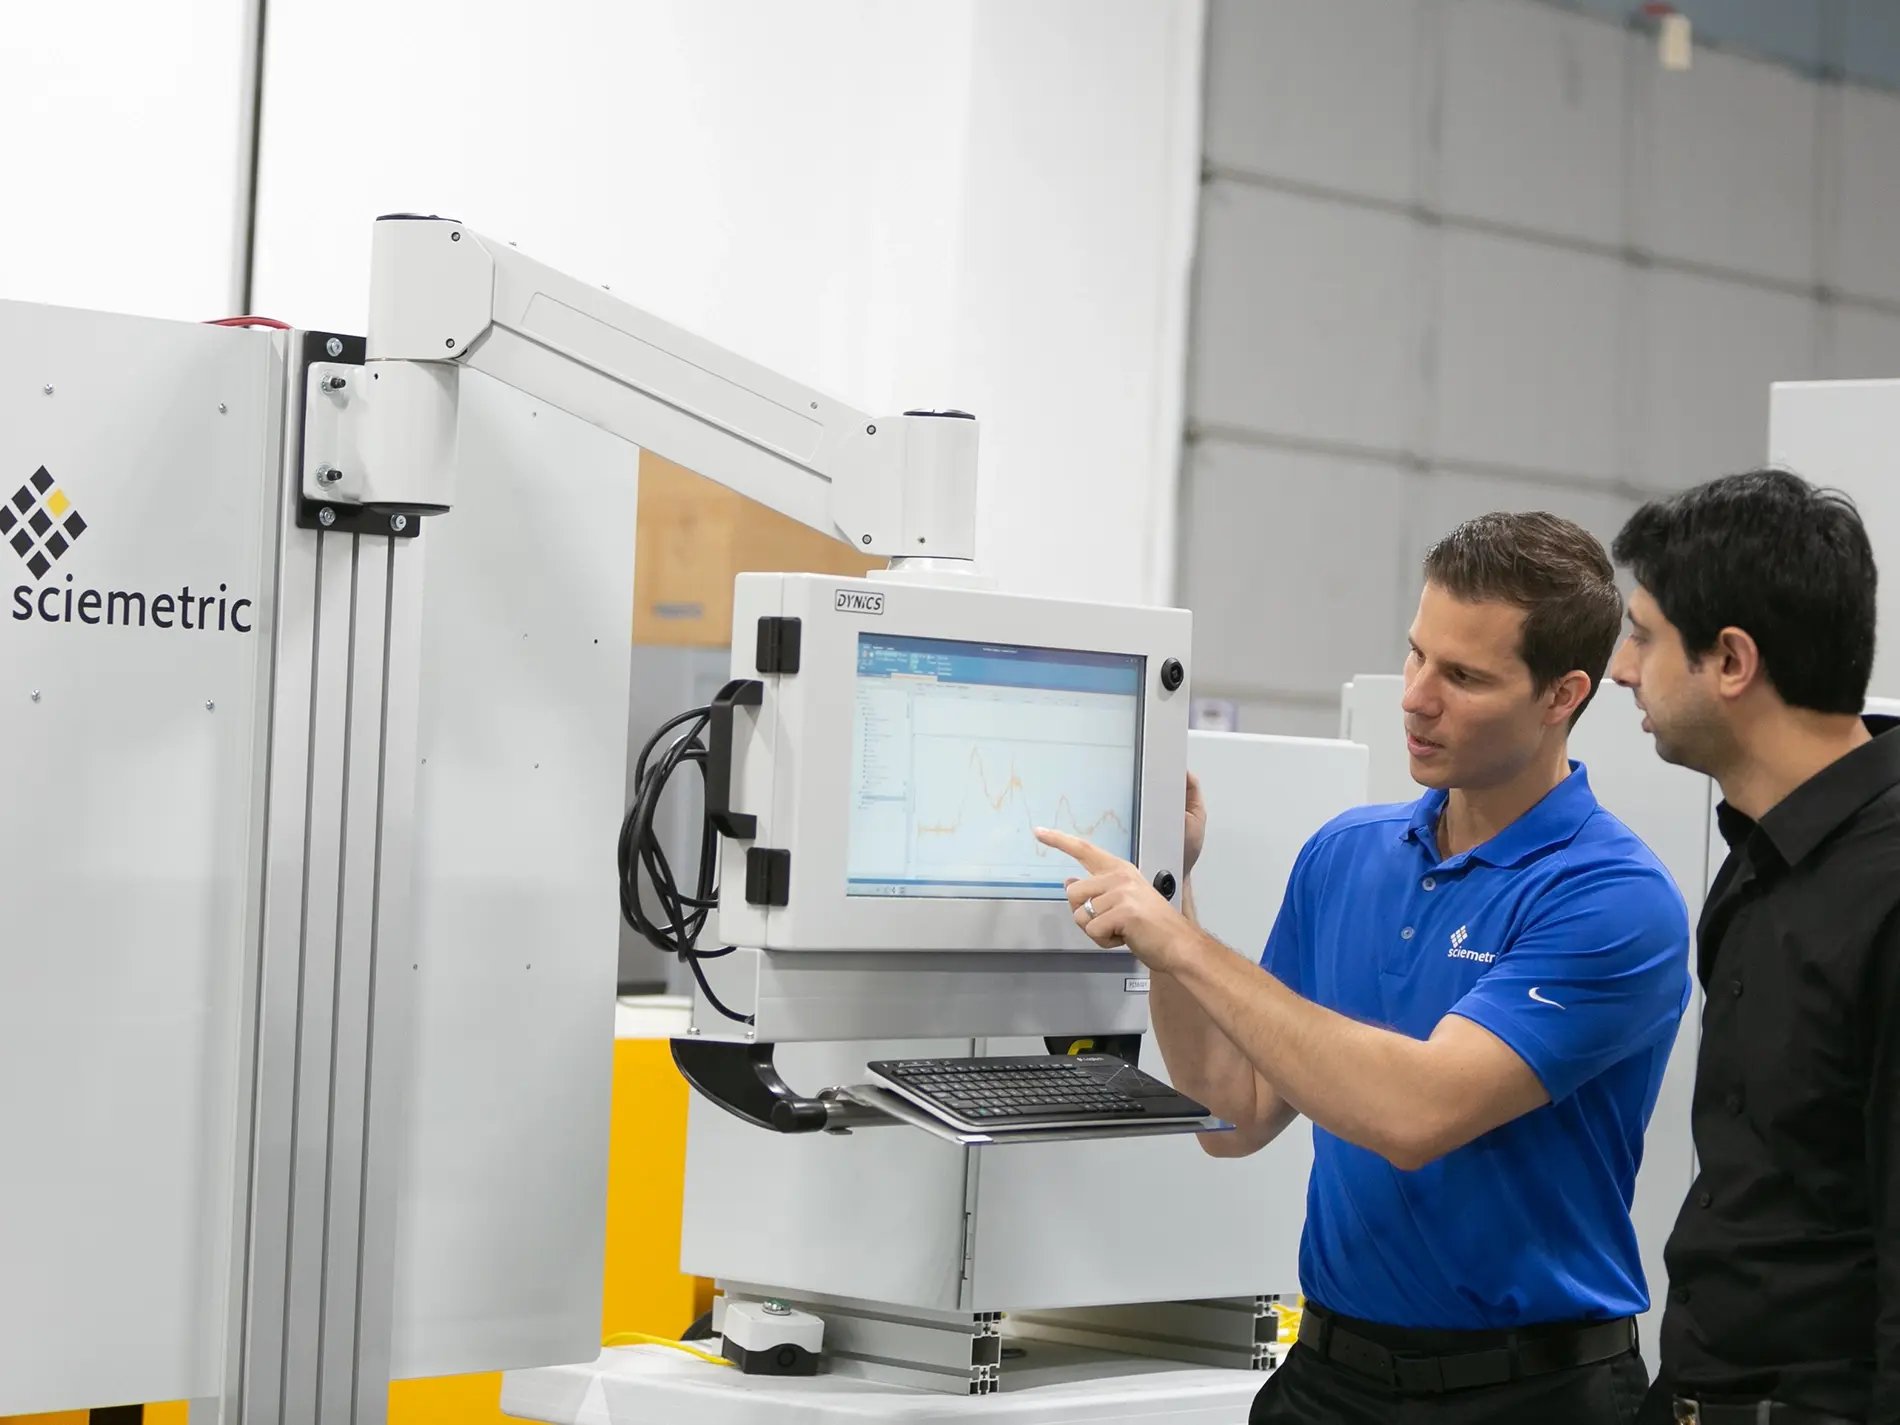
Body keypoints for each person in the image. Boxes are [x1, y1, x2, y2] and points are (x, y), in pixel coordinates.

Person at [1036, 512, 1691, 1425]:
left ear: (1561, 695)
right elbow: (1233, 1112)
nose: (1416, 697)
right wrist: (1170, 895)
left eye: (1463, 677)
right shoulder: (1347, 855)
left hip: (1532, 1393)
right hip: (1330, 1377)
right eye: (1418, 655)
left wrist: (1180, 941)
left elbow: (1414, 1114)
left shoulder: (1611, 898)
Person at [1607, 469, 1896, 1425]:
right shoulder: (1756, 860)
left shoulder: (1886, 890)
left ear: (1731, 660)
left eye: (1643, 635)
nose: (1619, 667)